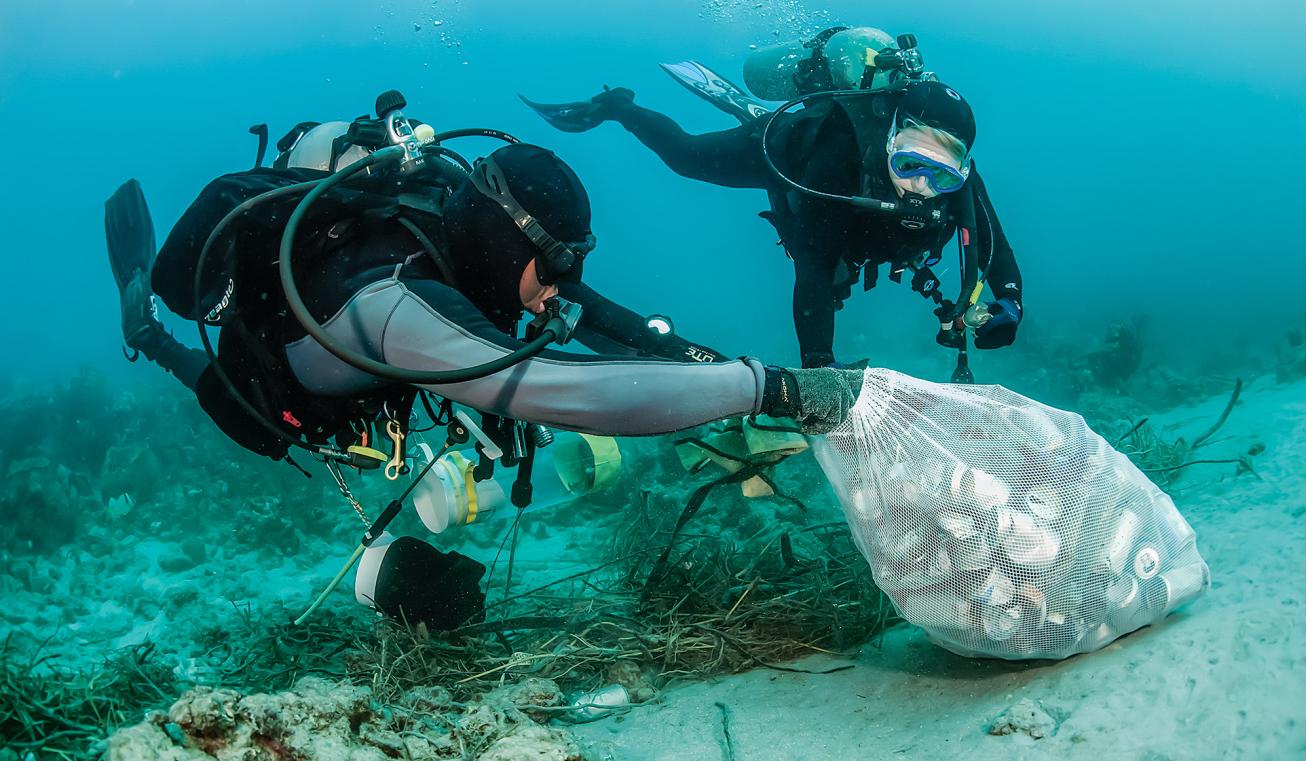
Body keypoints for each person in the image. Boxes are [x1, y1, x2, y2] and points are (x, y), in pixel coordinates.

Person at [104, 92, 864, 630]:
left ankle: (147, 326)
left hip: (396, 361)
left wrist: (719, 367)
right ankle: (147, 328)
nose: (563, 289)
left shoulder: (475, 235)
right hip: (288, 391)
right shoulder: (394, 302)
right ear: (513, 242)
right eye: (556, 263)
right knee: (258, 423)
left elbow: (610, 327)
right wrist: (772, 387)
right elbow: (561, 390)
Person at [524, 26, 1024, 370]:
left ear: (960, 168)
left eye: (940, 177)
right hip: (790, 156)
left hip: (853, 213)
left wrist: (1009, 303)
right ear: (890, 139)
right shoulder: (837, 153)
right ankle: (619, 105)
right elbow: (812, 263)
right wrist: (820, 365)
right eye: (909, 165)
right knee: (687, 157)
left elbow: (994, 247)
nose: (920, 188)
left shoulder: (962, 182)